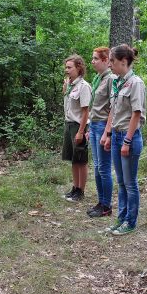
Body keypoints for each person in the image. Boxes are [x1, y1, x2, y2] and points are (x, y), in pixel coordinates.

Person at [102, 44, 146, 236]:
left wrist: (127, 141)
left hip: (129, 136)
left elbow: (136, 113)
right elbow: (113, 110)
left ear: (123, 62)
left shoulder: (136, 83)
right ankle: (121, 218)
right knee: (120, 181)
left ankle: (131, 221)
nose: (110, 65)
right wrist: (109, 134)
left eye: (112, 61)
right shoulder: (117, 82)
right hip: (117, 134)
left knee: (130, 182)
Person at [87, 47, 115, 217]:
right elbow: (93, 106)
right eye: (92, 58)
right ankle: (100, 201)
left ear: (106, 61)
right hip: (95, 124)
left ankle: (107, 205)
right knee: (97, 167)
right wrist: (90, 126)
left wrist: (107, 131)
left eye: (96, 58)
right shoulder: (98, 78)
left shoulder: (110, 79)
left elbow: (113, 107)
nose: (93, 61)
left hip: (104, 125)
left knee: (104, 168)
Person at [62, 55, 92, 202]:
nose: (66, 70)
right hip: (69, 124)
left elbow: (86, 111)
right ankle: (75, 187)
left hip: (79, 125)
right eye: (66, 67)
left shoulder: (84, 86)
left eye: (69, 67)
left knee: (81, 159)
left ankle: (81, 191)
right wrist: (65, 88)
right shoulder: (70, 85)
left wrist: (81, 131)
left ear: (78, 68)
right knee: (73, 159)